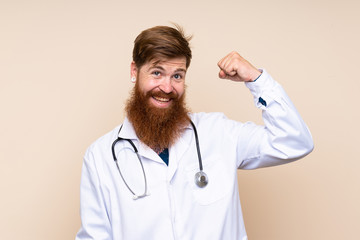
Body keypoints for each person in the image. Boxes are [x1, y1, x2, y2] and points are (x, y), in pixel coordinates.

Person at [75, 25, 313, 240]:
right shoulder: (101, 157)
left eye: (177, 75)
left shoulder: (219, 133)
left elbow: (295, 141)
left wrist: (255, 79)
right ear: (134, 72)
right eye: (157, 73)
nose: (167, 87)